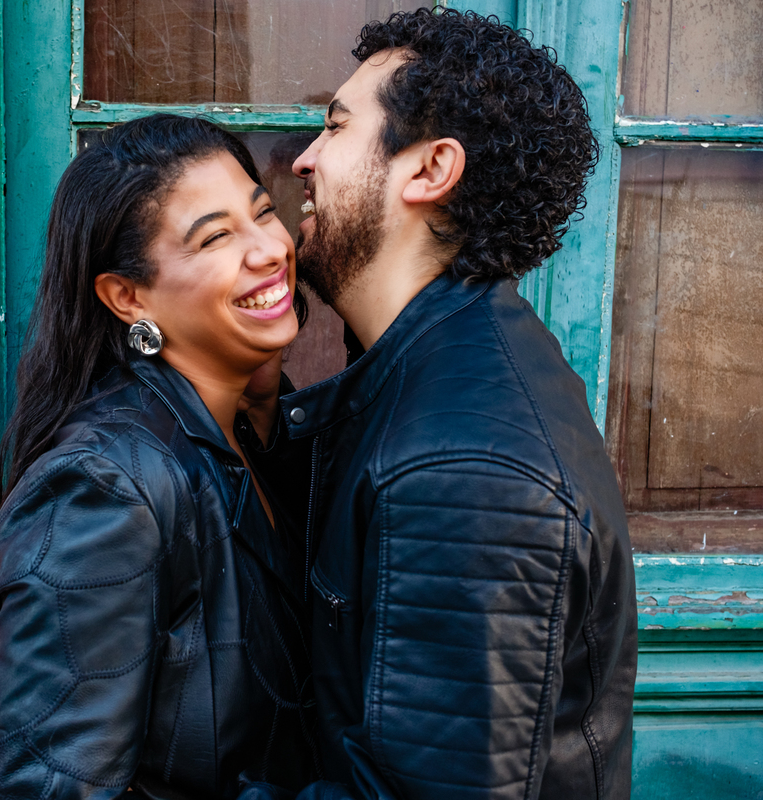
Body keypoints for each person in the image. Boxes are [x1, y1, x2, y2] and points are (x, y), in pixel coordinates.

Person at [249, 9, 637, 799]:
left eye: (334, 127)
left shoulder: (460, 467)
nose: (304, 161)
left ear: (429, 170)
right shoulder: (445, 367)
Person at [0, 114, 320, 799]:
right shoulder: (104, 487)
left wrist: (265, 396)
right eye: (215, 237)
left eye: (263, 211)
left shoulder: (251, 433)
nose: (269, 249)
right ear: (128, 297)